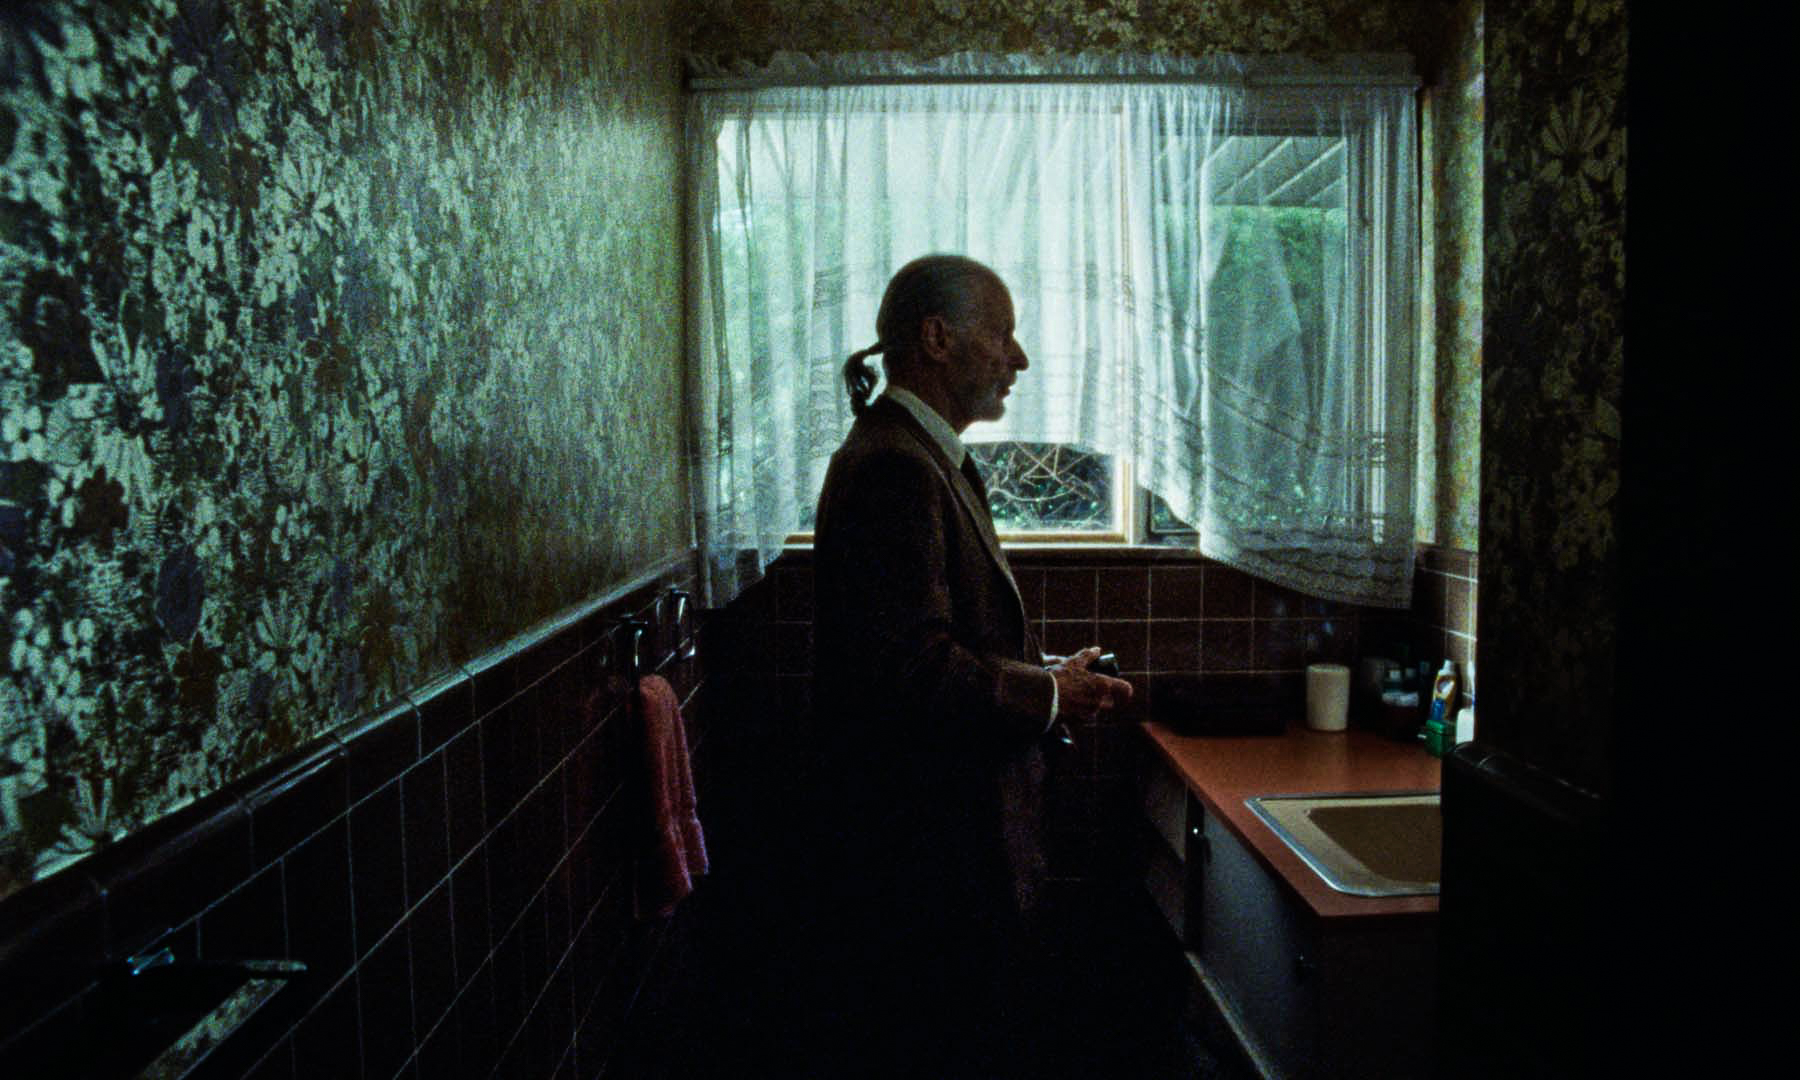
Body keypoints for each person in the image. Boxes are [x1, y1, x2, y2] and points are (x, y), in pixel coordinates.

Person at [807, 254, 1134, 1077]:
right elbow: (910, 671)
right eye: (1003, 334)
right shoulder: (896, 465)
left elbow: (926, 637)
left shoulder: (918, 452)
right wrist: (1047, 695)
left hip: (936, 846)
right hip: (928, 854)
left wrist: (1046, 675)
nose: (1018, 358)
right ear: (937, 338)